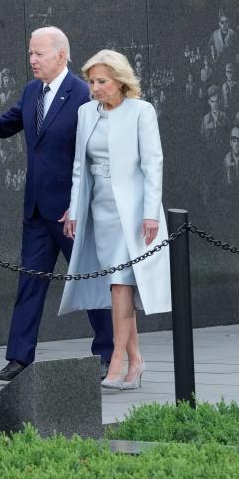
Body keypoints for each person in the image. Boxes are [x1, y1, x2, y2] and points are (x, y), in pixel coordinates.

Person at [0, 27, 113, 382]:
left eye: (39, 53)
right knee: (30, 283)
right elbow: (1, 125)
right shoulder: (31, 92)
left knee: (89, 282)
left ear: (61, 55)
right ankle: (19, 359)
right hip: (37, 211)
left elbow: (97, 155)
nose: (32, 60)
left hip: (73, 212)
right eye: (30, 53)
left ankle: (106, 353)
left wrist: (80, 204)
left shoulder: (84, 94)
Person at [61, 49, 171, 391]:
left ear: (120, 81)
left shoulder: (141, 111)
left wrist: (151, 213)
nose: (94, 87)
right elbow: (80, 167)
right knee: (116, 288)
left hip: (134, 213)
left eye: (102, 81)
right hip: (100, 211)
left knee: (122, 285)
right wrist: (74, 211)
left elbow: (153, 165)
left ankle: (118, 363)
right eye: (91, 81)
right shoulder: (85, 113)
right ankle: (136, 362)